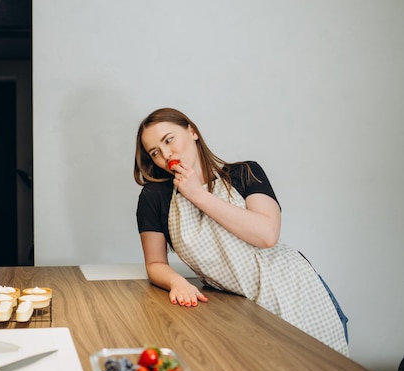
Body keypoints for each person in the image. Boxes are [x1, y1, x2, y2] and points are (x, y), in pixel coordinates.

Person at [134, 107, 349, 356]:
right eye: (155, 153)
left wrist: (197, 194)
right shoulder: (155, 197)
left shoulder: (246, 173)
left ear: (192, 131)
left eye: (169, 140)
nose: (166, 154)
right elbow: (155, 262)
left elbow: (267, 235)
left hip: (300, 293)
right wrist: (176, 282)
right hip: (239, 307)